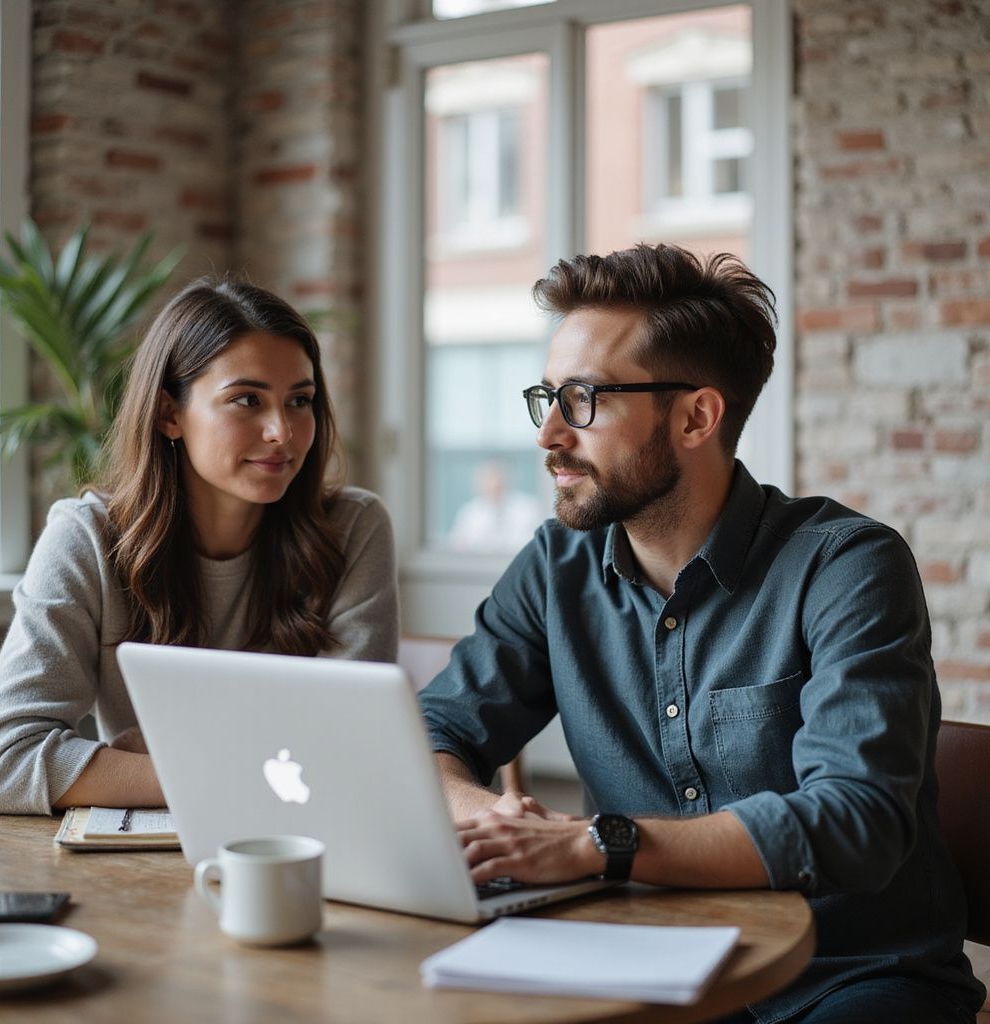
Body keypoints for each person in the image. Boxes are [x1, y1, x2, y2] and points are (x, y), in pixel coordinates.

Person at [418, 244, 986, 1023]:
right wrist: (501, 826)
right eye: (547, 397)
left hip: (850, 977)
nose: (549, 434)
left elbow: (857, 818)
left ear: (696, 415)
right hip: (639, 958)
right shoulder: (557, 564)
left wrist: (596, 843)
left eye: (582, 400)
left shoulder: (847, 565)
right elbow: (432, 729)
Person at [0, 278, 398, 815]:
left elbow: (351, 750)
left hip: (301, 844)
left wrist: (139, 763)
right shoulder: (87, 538)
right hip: (147, 859)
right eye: (247, 399)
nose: (282, 432)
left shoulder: (354, 529)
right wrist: (242, 772)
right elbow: (5, 764)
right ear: (170, 414)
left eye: (300, 401)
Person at [447, 460, 544, 553]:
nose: (493, 484)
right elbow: (457, 545)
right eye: (487, 479)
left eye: (497, 478)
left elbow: (534, 544)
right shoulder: (469, 513)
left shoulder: (528, 508)